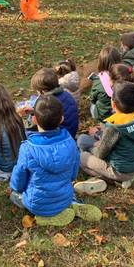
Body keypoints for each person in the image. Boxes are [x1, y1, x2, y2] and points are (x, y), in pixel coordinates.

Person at [9, 95, 101, 226]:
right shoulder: (69, 140)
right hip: (65, 196)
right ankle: (72, 203)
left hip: (37, 203)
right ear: (62, 119)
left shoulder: (28, 148)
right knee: (63, 188)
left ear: (34, 120)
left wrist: (15, 188)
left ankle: (44, 217)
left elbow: (19, 177)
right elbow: (73, 172)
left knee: (14, 196)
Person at [75, 82, 134, 192]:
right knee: (84, 141)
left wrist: (92, 146)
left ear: (114, 104)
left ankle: (107, 179)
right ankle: (119, 178)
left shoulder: (114, 126)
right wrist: (99, 135)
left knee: (81, 156)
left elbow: (100, 153)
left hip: (119, 170)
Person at [23, 68, 79, 137]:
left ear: (42, 91)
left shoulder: (49, 103)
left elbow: (39, 124)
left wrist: (27, 117)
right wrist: (34, 110)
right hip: (71, 131)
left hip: (61, 136)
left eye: (37, 91)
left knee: (26, 133)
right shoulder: (66, 94)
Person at [89, 46, 123, 122]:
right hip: (123, 112)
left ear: (101, 62)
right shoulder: (125, 74)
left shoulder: (98, 82)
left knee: (92, 105)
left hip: (105, 116)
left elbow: (92, 99)